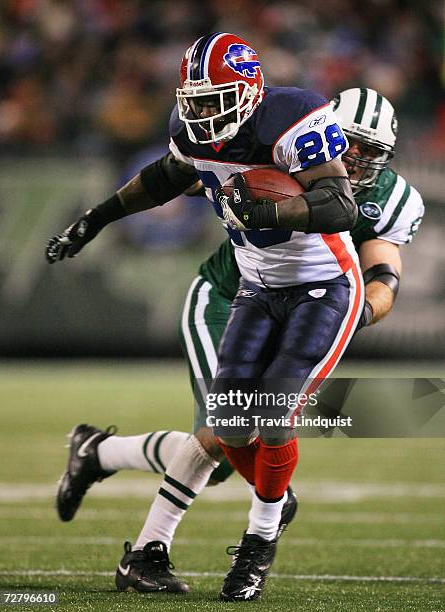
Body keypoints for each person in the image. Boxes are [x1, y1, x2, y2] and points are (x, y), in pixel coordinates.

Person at [47, 33, 364, 601]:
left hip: (323, 284)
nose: (201, 111)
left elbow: (342, 204)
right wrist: (94, 220)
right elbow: (162, 180)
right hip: (255, 287)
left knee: (273, 409)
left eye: (215, 97)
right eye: (195, 98)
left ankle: (258, 546)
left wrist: (269, 208)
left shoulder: (293, 119)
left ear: (248, 91)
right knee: (229, 423)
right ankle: (228, 511)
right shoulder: (192, 133)